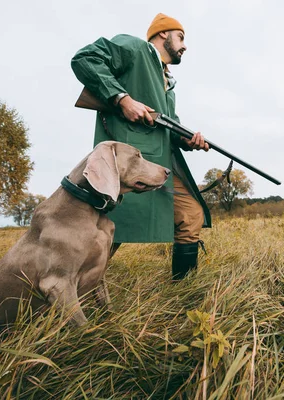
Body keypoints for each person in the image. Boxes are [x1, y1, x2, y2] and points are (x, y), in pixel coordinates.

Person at [71, 13, 211, 280]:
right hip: (128, 160)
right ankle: (67, 287)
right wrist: (122, 98)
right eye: (180, 37)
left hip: (161, 161)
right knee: (112, 227)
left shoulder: (167, 83)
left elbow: (171, 127)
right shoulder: (135, 48)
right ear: (162, 34)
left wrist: (188, 139)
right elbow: (84, 59)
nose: (184, 46)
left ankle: (184, 291)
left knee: (190, 215)